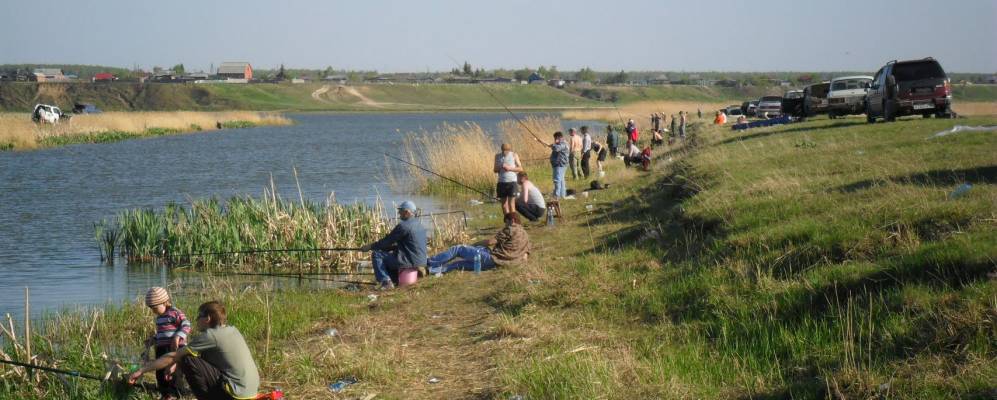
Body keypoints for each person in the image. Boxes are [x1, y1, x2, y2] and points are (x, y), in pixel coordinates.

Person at [129, 301, 260, 400]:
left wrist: (142, 371)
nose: (196, 319)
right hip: (251, 391)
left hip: (236, 393)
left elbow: (174, 356)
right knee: (188, 356)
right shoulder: (232, 330)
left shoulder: (210, 336)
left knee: (187, 358)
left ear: (208, 318)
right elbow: (205, 360)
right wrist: (176, 366)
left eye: (199, 316)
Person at [427, 213, 529, 274]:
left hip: (494, 260)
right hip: (499, 264)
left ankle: (429, 262)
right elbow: (526, 254)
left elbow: (490, 242)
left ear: (512, 220)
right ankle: (431, 271)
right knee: (458, 264)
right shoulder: (525, 235)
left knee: (458, 249)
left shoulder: (510, 229)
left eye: (506, 222)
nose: (505, 225)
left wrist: (472, 245)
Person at [359, 200, 427, 290]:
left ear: (407, 212)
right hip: (421, 261)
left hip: (409, 261)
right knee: (390, 255)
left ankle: (386, 282)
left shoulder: (404, 226)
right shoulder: (420, 225)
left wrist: (370, 246)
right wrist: (392, 248)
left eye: (400, 210)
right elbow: (411, 244)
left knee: (377, 254)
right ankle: (394, 280)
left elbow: (387, 241)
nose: (399, 213)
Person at [143, 287, 192, 400]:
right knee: (160, 373)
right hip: (161, 349)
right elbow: (162, 333)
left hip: (174, 349)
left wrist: (178, 336)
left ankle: (177, 394)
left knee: (175, 374)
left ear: (165, 302)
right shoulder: (159, 318)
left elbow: (186, 325)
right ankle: (166, 395)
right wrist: (153, 339)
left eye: (155, 308)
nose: (153, 311)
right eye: (151, 308)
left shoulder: (174, 312)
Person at [535, 131, 568, 199]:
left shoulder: (563, 144)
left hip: (559, 165)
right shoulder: (559, 143)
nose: (554, 139)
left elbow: (556, 148)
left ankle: (556, 196)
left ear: (559, 137)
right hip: (560, 165)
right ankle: (562, 195)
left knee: (557, 180)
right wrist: (540, 141)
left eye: (555, 138)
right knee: (561, 180)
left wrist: (554, 143)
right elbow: (550, 145)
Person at [493, 143, 522, 216]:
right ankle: (507, 221)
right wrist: (500, 167)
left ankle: (513, 221)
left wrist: (510, 168)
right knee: (504, 205)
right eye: (503, 151)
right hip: (501, 182)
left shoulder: (514, 155)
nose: (504, 152)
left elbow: (520, 168)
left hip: (512, 182)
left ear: (509, 150)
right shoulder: (497, 156)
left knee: (511, 204)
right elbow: (495, 170)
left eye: (506, 151)